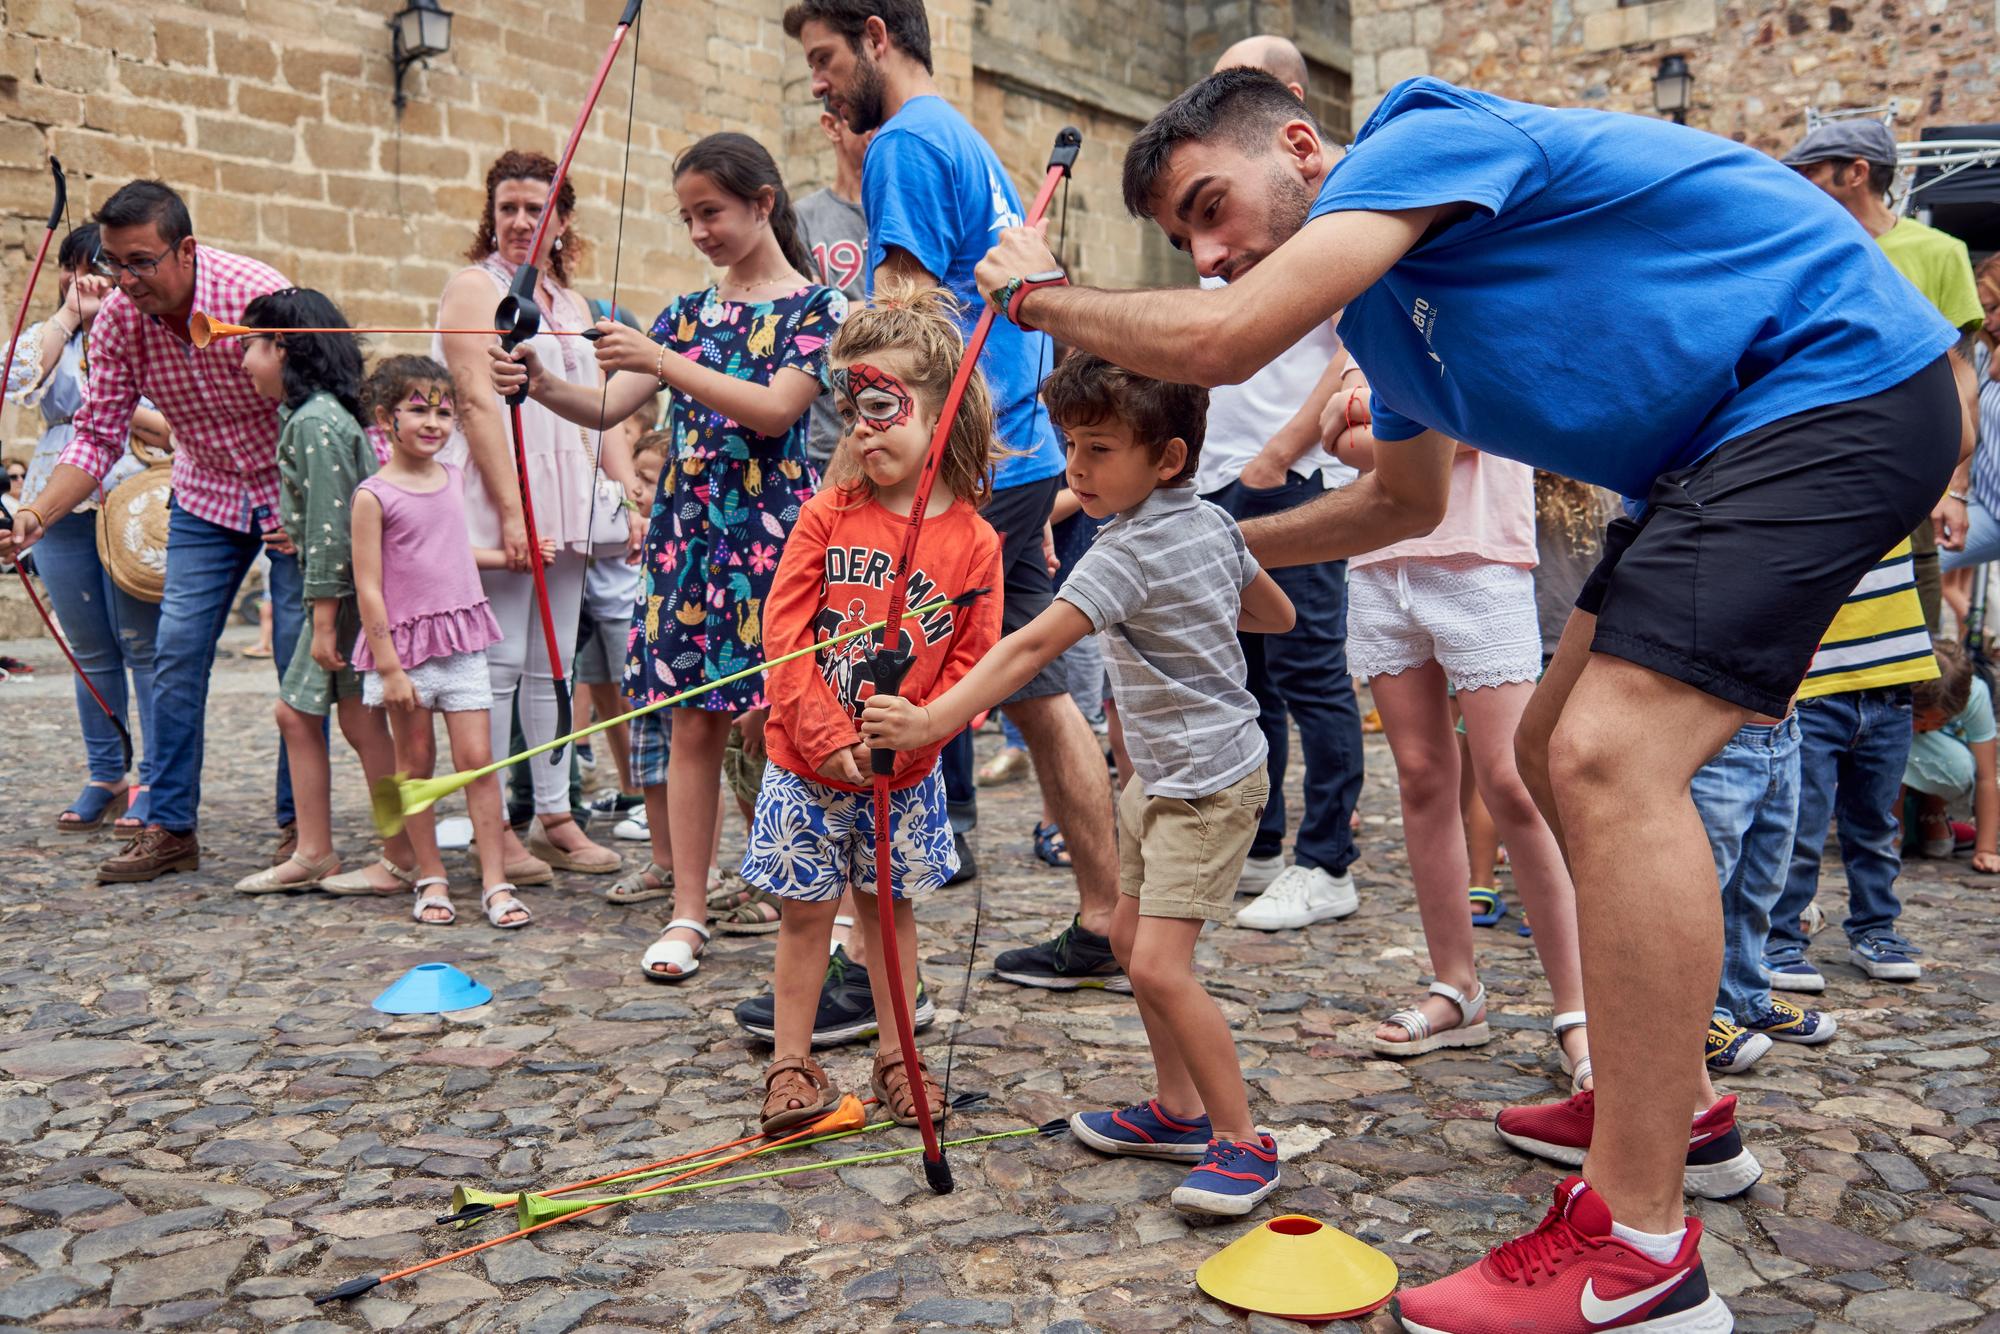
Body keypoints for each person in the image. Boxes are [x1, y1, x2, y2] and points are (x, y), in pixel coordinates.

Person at [976, 70, 1960, 1329]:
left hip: (1828, 387)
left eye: (1211, 210)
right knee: (1550, 751)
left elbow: (1227, 340)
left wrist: (1035, 295)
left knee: (1608, 758)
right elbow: (1399, 506)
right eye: (1187, 243)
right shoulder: (1389, 325)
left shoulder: (1418, 141)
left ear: (1297, 142)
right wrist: (1206, 549)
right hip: (1713, 451)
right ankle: (1671, 1111)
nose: (1213, 256)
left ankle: (1639, 1257)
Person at [865, 353, 1295, 1215]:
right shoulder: (1210, 525)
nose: (1077, 469)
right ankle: (1178, 1112)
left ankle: (1245, 1141)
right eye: (1070, 445)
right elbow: (1273, 614)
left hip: (1206, 787)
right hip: (1165, 779)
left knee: (1163, 968)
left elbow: (1027, 648)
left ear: (1166, 459)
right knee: (1134, 950)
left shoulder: (1122, 553)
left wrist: (930, 720)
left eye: (1099, 449)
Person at [787, 0, 1126, 992]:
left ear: (876, 37)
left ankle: (864, 957)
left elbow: (901, 322)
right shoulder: (959, 136)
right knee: (1034, 684)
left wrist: (860, 458)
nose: (816, 81)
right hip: (1011, 456)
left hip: (960, 463)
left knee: (881, 675)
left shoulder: (903, 142)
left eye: (823, 57)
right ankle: (1104, 915)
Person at [491, 131, 836, 982]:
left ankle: (810, 903)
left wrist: (664, 360)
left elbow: (772, 411)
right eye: (687, 217)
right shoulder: (687, 314)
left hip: (775, 541)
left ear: (762, 202)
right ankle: (689, 911)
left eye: (710, 212)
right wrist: (537, 383)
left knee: (787, 725)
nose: (698, 232)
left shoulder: (818, 309)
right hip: (690, 543)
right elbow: (607, 406)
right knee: (693, 725)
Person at [3, 179, 311, 882]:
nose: (126, 280)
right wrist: (36, 514)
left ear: (187, 250)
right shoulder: (115, 324)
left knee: (298, 656)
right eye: (115, 263)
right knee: (174, 652)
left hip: (286, 486)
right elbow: (95, 437)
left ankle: (302, 825)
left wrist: (308, 505)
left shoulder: (256, 295)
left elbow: (321, 398)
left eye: (142, 261)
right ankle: (171, 826)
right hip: (201, 490)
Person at [747, 284, 1001, 1132]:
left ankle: (898, 1056)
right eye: (854, 407)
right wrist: (824, 737)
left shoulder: (975, 541)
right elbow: (783, 637)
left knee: (889, 917)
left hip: (903, 772)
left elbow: (973, 661)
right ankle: (792, 1063)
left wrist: (918, 737)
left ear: (943, 412)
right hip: (808, 766)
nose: (864, 426)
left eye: (885, 406)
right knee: (805, 917)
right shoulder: (825, 517)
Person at [1328, 363, 1590, 1086]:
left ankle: (1579, 1011)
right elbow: (1337, 435)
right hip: (1380, 559)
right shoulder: (1372, 311)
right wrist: (1391, 421)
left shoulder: (1487, 304)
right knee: (1418, 776)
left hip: (1478, 558)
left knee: (1512, 781)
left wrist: (1372, 416)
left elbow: (1479, 426)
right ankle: (1457, 989)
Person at [1198, 34, 1367, 933]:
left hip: (1290, 474)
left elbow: (1352, 343)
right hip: (1220, 477)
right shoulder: (1226, 217)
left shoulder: (1325, 209)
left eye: (1237, 87)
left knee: (1311, 672)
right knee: (1247, 676)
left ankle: (1327, 859)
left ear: (1289, 98)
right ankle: (1262, 843)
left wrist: (1285, 449)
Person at [435, 150, 630, 887]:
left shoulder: (574, 307)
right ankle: (498, 831)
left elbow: (603, 408)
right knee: (497, 668)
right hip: (500, 496)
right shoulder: (471, 289)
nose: (521, 221)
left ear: (562, 221)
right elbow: (478, 402)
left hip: (566, 495)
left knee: (555, 663)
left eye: (537, 208)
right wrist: (512, 515)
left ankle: (556, 815)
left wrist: (620, 491)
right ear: (490, 214)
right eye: (508, 207)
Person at [225, 290, 418, 898]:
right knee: (352, 725)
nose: (244, 362)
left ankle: (381, 854)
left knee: (307, 715)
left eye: (251, 346)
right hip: (346, 592)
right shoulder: (312, 417)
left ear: (283, 345)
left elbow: (336, 535)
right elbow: (331, 508)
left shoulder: (314, 422)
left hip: (345, 599)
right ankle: (352, 852)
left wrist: (326, 623)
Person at [1784, 119, 1984, 632]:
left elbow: (1959, 374)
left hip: (1911, 469)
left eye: (1811, 172)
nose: (1799, 184)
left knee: (1916, 636)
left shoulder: (1939, 252)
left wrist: (1954, 490)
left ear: (1856, 172)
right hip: (1818, 469)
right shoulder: (1804, 252)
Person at [350, 357, 526, 929]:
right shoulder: (373, 497)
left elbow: (449, 550)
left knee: (478, 762)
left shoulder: (453, 478)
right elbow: (369, 588)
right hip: (405, 651)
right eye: (418, 410)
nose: (434, 422)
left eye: (443, 411)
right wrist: (390, 668)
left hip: (461, 641)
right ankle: (430, 876)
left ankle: (496, 882)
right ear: (385, 418)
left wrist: (510, 556)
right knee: (418, 763)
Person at [4, 222, 164, 833]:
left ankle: (155, 774)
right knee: (89, 650)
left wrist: (120, 415)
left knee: (144, 646)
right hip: (59, 496)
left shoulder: (146, 329)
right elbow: (16, 382)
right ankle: (106, 772)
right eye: (71, 267)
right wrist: (70, 316)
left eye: (93, 265)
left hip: (133, 493)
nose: (82, 277)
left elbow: (165, 418)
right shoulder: (56, 332)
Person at [795, 101, 873, 470]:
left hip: (900, 429)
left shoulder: (905, 209)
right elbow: (808, 317)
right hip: (827, 438)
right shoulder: (802, 218)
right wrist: (889, 309)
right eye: (867, 120)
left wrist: (839, 309)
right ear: (832, 126)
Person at [1905, 639, 2000, 872]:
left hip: (1939, 763)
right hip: (1895, 770)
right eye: (1919, 718)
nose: (1923, 725)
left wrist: (1986, 849)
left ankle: (1932, 809)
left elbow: (1986, 777)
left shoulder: (1975, 695)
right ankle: (1898, 828)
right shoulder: (1899, 688)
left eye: (1937, 721)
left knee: (1960, 764)